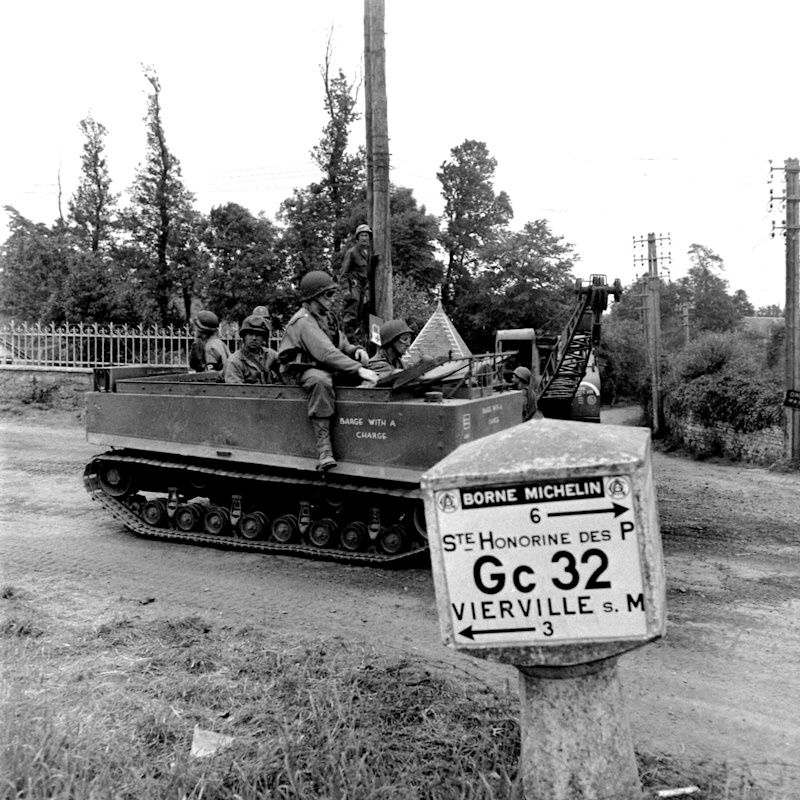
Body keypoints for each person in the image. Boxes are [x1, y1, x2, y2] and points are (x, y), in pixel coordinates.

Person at [278, 270, 379, 470]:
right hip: (299, 370)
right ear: (314, 297)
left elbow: (339, 343)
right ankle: (324, 449)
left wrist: (355, 350)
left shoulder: (325, 317)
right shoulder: (303, 321)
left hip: (320, 365)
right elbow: (325, 353)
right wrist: (358, 369)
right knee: (321, 381)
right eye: (328, 295)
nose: (333, 300)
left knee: (351, 376)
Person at [339, 223, 379, 344]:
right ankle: (348, 340)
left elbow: (369, 272)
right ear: (358, 238)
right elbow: (343, 273)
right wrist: (346, 291)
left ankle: (367, 340)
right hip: (354, 286)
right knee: (351, 314)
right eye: (362, 235)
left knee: (367, 313)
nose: (364, 238)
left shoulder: (369, 254)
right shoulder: (352, 253)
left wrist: (374, 262)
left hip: (364, 288)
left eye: (366, 235)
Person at [224, 315, 280, 385]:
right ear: (244, 336)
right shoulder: (235, 362)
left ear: (263, 338)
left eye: (258, 334)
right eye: (250, 334)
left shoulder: (269, 354)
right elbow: (236, 391)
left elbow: (286, 362)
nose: (254, 338)